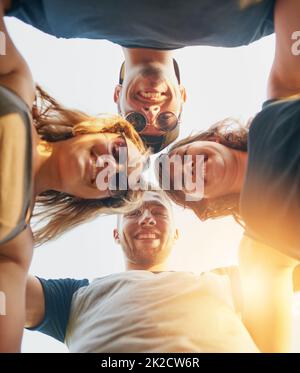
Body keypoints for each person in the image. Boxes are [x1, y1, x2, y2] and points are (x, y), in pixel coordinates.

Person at [0, 3, 148, 352]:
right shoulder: (16, 83)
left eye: (116, 185)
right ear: (96, 130)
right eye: (118, 152)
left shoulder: (15, 247)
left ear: (94, 201)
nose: (109, 168)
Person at [24, 188, 298, 353]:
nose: (146, 219)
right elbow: (5, 294)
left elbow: (284, 266)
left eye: (159, 211)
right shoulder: (73, 298)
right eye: (132, 213)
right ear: (116, 235)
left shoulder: (230, 284)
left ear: (176, 233)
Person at [4, 0, 275, 152]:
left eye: (136, 119)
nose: (151, 109)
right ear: (183, 95)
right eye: (165, 119)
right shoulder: (242, 29)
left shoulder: (56, 21)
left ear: (116, 96)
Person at [157, 0, 300, 261]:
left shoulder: (276, 105)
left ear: (212, 139)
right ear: (205, 201)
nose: (191, 168)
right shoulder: (264, 233)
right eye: (185, 181)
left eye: (185, 156)